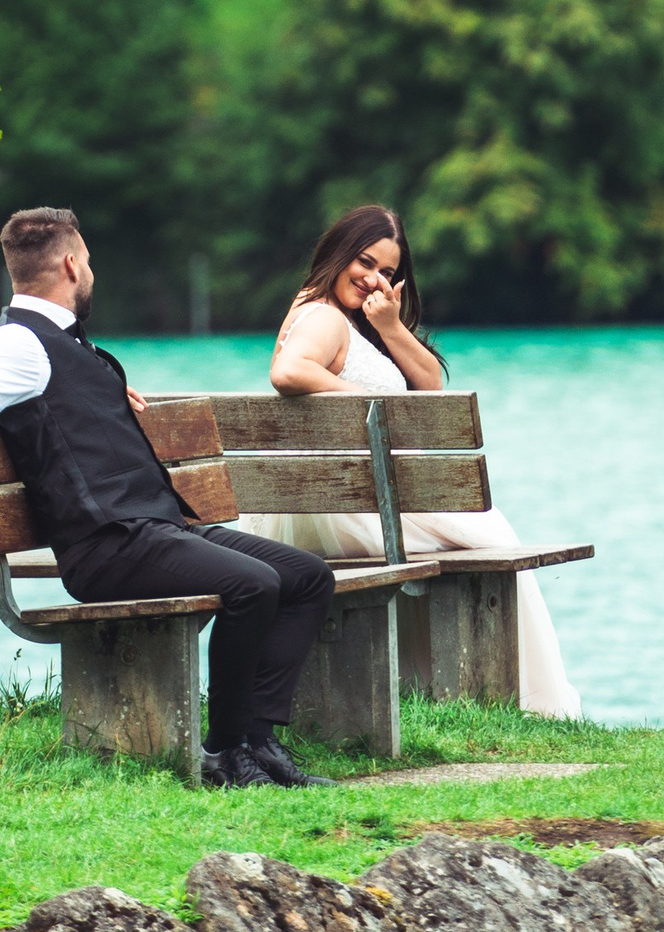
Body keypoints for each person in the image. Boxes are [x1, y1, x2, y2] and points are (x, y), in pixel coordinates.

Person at [0, 204, 337, 789]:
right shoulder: (17, 344)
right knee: (254, 584)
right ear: (71, 264)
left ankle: (259, 741)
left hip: (151, 531)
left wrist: (103, 387)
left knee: (307, 577)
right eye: (88, 261)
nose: (91, 272)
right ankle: (224, 753)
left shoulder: (66, 346)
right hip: (107, 548)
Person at [246, 202, 579, 718]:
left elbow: (430, 387)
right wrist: (364, 400)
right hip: (350, 509)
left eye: (387, 272)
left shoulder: (344, 317)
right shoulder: (321, 317)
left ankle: (437, 690)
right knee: (494, 536)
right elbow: (288, 372)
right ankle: (529, 702)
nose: (373, 278)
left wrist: (392, 326)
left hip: (345, 502)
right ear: (336, 253)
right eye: (364, 262)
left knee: (485, 532)